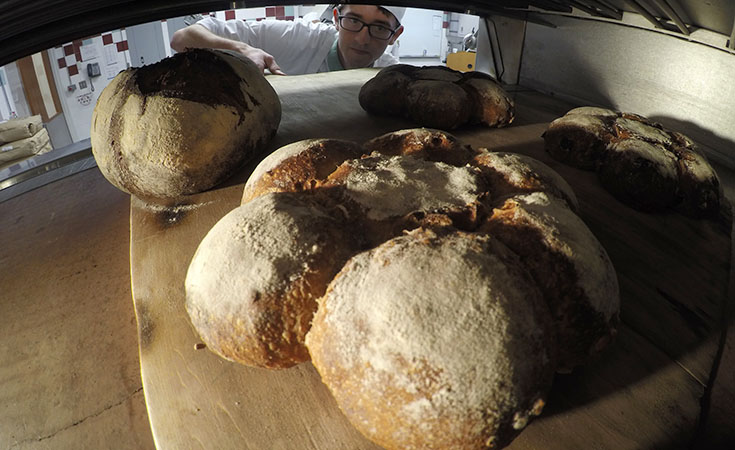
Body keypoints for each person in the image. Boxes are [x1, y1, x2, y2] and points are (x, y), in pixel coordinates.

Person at [170, 4, 405, 76]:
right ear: (336, 18)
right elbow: (182, 39)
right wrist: (241, 49)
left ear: (395, 36)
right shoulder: (295, 38)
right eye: (353, 21)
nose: (363, 39)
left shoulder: (392, 75)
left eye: (380, 27)